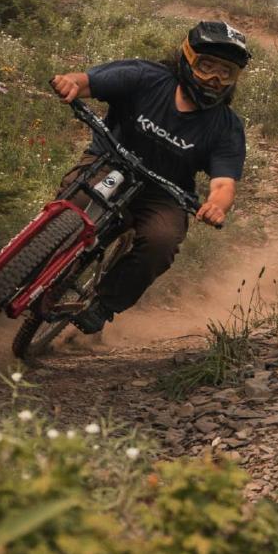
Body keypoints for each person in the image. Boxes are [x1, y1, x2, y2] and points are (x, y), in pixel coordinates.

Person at [47, 20, 249, 333]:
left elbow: (223, 183)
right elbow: (88, 81)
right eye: (206, 65)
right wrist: (71, 83)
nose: (214, 79)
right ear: (186, 59)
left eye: (226, 72)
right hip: (109, 163)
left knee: (161, 242)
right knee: (78, 202)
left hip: (165, 193)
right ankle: (33, 262)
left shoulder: (226, 126)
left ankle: (104, 304)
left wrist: (217, 205)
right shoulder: (146, 77)